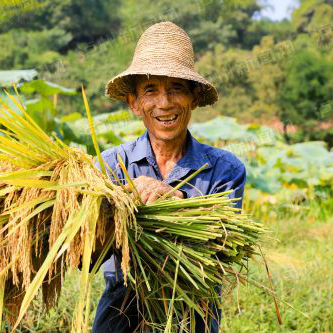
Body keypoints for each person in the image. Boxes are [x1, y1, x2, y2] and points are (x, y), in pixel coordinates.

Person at [91, 21, 246, 333]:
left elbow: (223, 248)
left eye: (176, 88)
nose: (164, 103)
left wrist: (174, 199)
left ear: (194, 98)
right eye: (151, 90)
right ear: (134, 103)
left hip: (193, 317)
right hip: (120, 317)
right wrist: (120, 204)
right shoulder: (108, 166)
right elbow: (86, 258)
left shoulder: (225, 169)